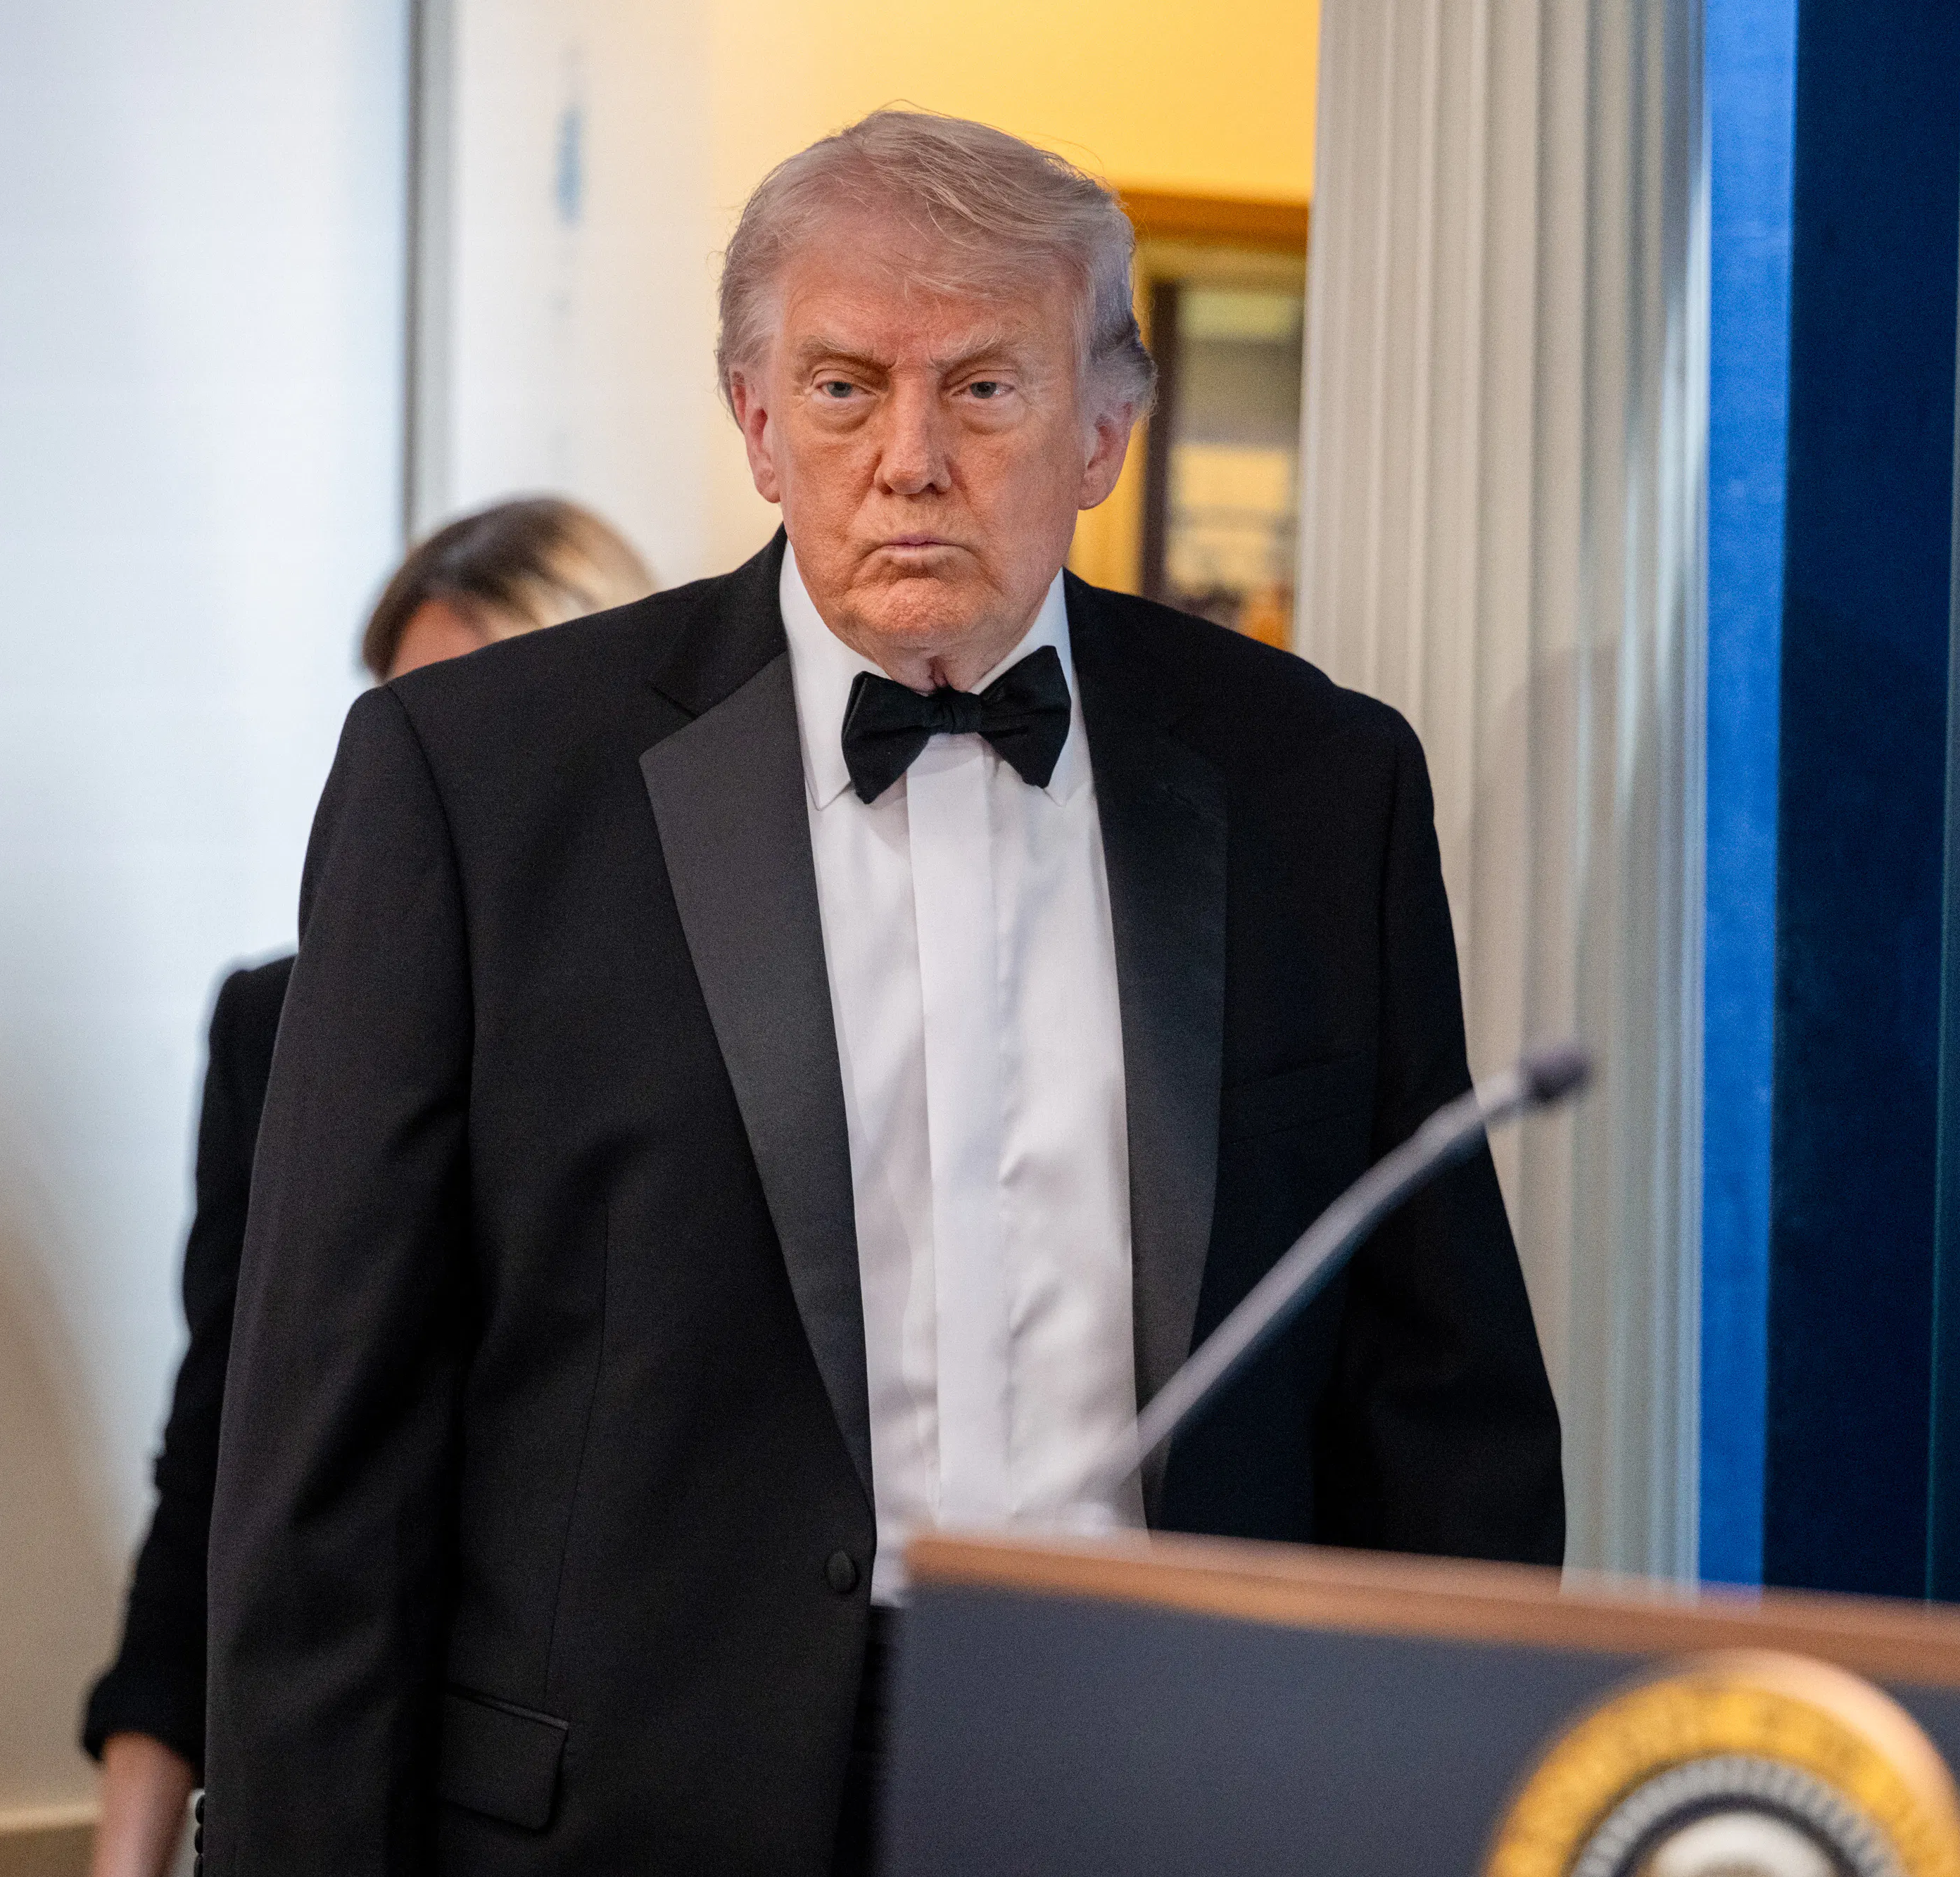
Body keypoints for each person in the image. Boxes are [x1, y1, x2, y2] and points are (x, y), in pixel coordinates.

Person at [203, 110, 1564, 1877]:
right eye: (845, 388)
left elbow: (1436, 1408)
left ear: (1103, 429)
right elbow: (326, 1445)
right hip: (630, 1818)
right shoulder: (472, 783)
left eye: (982, 388)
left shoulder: (1318, 783)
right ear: (758, 426)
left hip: (1183, 1797)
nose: (907, 458)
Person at [77, 498, 655, 1877]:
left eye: (477, 717)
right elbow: (225, 1461)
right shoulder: (282, 1028)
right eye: (402, 721)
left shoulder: (701, 1043)